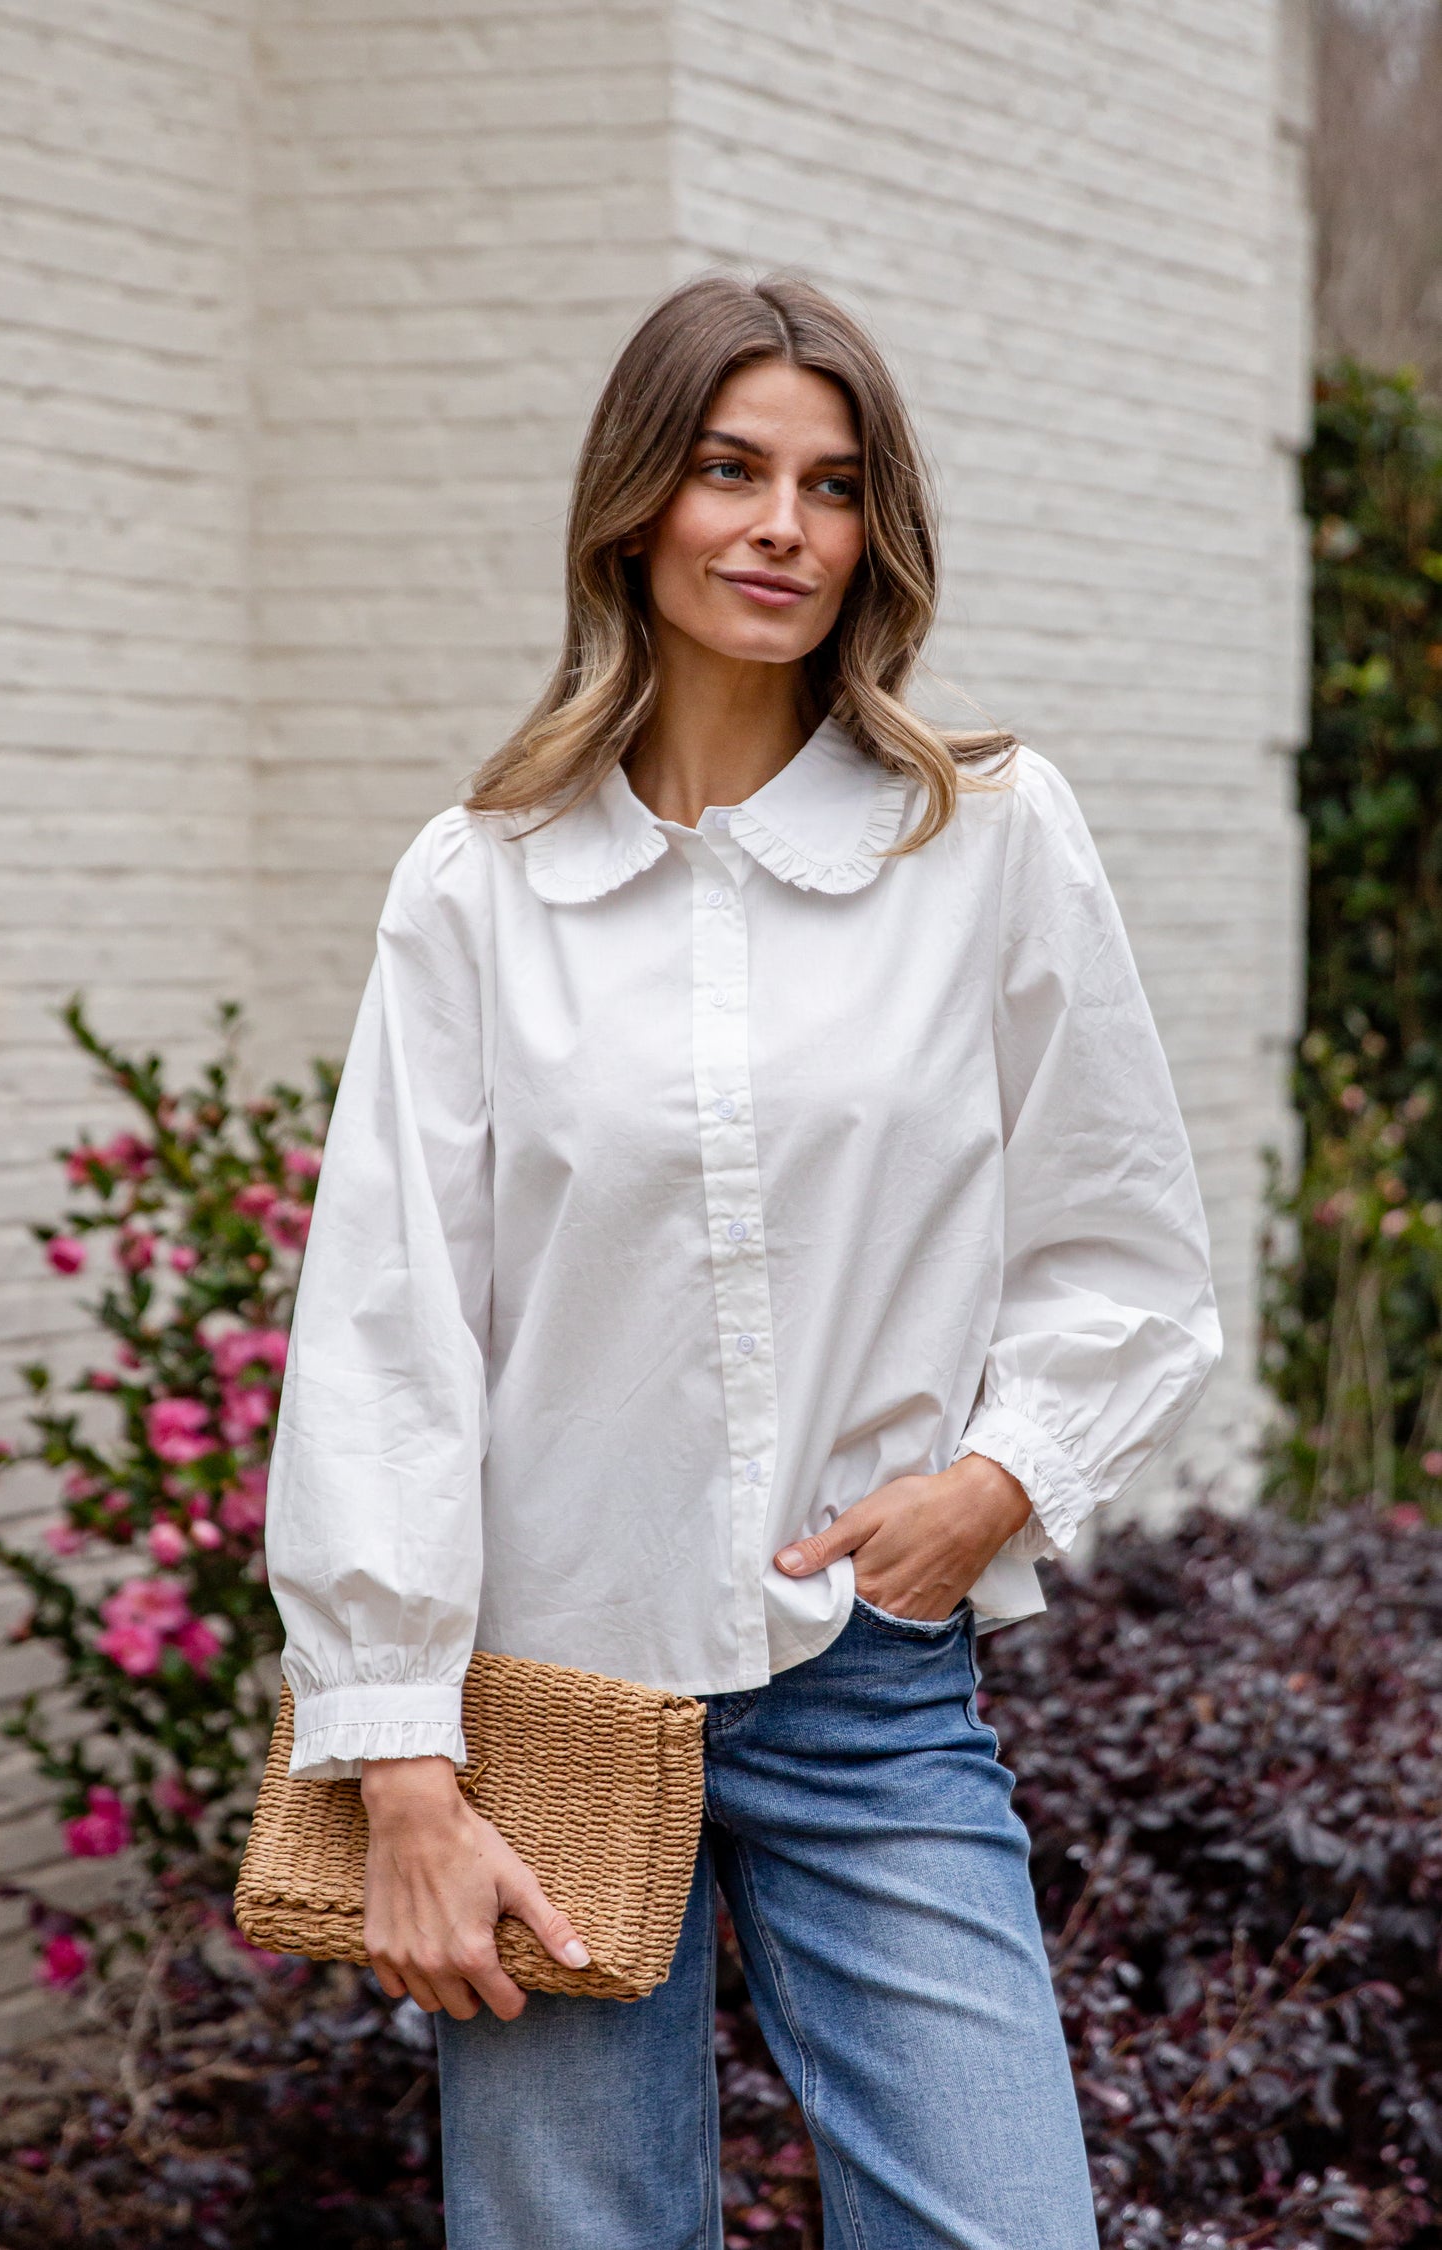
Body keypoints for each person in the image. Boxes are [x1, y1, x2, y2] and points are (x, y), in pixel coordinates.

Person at [265, 271, 1222, 2249]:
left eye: (832, 483)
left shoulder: (986, 840)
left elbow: (1123, 1242)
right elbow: (387, 1330)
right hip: (543, 1698)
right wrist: (406, 1782)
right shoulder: (482, 885)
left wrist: (999, 1480)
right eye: (729, 470)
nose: (782, 524)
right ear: (637, 505)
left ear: (877, 532)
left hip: (872, 1690)